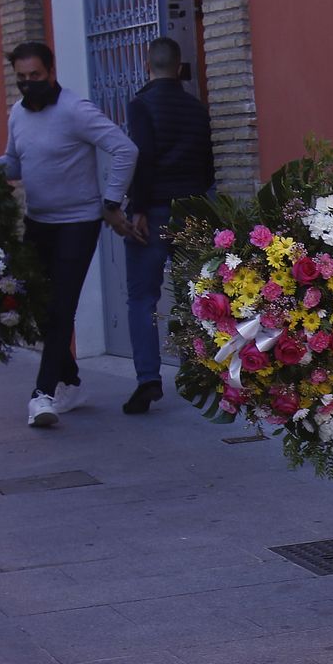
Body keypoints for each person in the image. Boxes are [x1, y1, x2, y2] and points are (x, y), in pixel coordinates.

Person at [0, 42, 138, 428]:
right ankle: (71, 382)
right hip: (38, 221)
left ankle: (42, 395)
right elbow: (15, 163)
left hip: (78, 222)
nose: (28, 85)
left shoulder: (76, 110)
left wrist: (111, 202)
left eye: (35, 77)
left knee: (61, 307)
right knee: (35, 305)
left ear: (50, 72)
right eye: (22, 79)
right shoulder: (17, 114)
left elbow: (124, 149)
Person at [121, 37, 215, 414]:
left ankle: (148, 379)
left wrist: (137, 207)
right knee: (192, 294)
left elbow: (141, 157)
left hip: (155, 209)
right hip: (192, 210)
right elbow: (209, 164)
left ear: (148, 66)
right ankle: (196, 372)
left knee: (142, 299)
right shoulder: (196, 109)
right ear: (179, 68)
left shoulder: (141, 105)